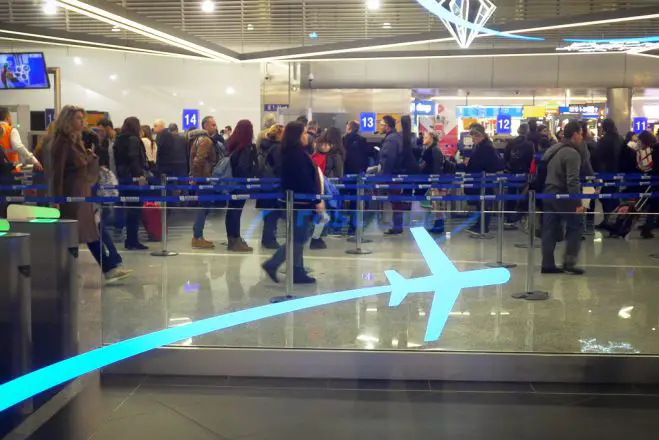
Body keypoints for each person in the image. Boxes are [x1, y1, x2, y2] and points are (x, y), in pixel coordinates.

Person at [49, 105, 131, 283]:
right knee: (81, 233)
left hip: (82, 193)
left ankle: (107, 267)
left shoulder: (75, 142)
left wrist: (90, 157)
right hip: (71, 196)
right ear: (68, 120)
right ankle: (104, 268)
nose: (82, 122)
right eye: (78, 118)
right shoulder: (62, 143)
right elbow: (57, 173)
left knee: (89, 232)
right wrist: (55, 199)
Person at [262, 121, 320, 284]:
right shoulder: (295, 155)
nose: (306, 137)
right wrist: (316, 200)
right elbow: (303, 181)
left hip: (296, 202)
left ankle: (297, 270)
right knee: (298, 238)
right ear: (296, 136)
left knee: (298, 237)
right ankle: (273, 264)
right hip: (300, 204)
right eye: (303, 133)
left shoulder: (292, 153)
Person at [540, 120, 586, 275]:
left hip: (547, 192)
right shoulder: (572, 153)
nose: (581, 137)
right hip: (563, 195)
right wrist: (578, 202)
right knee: (576, 225)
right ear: (575, 134)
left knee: (549, 230)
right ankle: (569, 263)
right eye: (580, 134)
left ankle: (547, 264)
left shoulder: (553, 148)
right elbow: (572, 180)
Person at [114, 117, 149, 250]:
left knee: (128, 209)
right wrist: (139, 175)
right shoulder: (133, 139)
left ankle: (130, 240)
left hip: (122, 178)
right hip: (132, 179)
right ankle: (132, 241)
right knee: (135, 210)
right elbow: (134, 158)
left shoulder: (119, 139)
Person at [380, 114, 418, 234]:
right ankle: (398, 225)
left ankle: (397, 226)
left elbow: (389, 158)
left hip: (394, 174)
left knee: (395, 201)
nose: (380, 127)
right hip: (403, 173)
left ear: (386, 126)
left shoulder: (392, 139)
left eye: (381, 125)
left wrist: (384, 176)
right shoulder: (404, 137)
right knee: (398, 201)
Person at [465, 123, 504, 235]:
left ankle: (483, 227)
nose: (472, 139)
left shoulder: (486, 148)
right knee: (480, 204)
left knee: (484, 203)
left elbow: (486, 164)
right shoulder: (483, 146)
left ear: (480, 135)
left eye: (473, 136)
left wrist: (470, 164)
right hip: (481, 180)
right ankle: (480, 225)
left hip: (483, 181)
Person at [225, 120, 258, 252]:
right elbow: (243, 166)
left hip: (231, 182)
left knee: (231, 210)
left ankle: (232, 240)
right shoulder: (246, 147)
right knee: (236, 212)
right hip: (241, 183)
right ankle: (236, 240)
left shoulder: (232, 144)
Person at [310, 126, 345, 246]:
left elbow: (339, 173)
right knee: (321, 214)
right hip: (319, 188)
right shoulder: (314, 157)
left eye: (327, 145)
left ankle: (319, 235)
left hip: (327, 188)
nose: (325, 147)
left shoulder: (333, 157)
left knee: (325, 214)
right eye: (322, 145)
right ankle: (316, 237)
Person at [620, 130, 659, 238]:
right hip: (652, 183)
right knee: (650, 207)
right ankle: (643, 228)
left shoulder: (638, 151)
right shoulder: (653, 151)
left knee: (640, 206)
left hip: (641, 183)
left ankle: (630, 227)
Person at [189, 118, 218, 249]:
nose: (215, 127)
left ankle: (198, 235)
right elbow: (198, 160)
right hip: (204, 178)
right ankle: (197, 236)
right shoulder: (205, 140)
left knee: (203, 207)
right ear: (206, 125)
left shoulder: (198, 139)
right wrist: (196, 177)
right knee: (203, 207)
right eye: (213, 124)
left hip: (202, 177)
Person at [593, 119, 624, 228]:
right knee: (613, 195)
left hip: (606, 173)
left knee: (605, 196)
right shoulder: (620, 139)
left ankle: (608, 220)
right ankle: (612, 219)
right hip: (618, 173)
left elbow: (599, 157)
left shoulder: (604, 140)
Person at [257, 124, 284, 249]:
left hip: (264, 182)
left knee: (267, 213)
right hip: (274, 184)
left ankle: (266, 238)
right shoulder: (277, 148)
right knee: (273, 213)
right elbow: (279, 166)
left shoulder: (263, 145)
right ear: (278, 134)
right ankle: (270, 240)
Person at [503, 123, 535, 225]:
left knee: (511, 194)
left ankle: (508, 217)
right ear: (527, 131)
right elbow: (532, 159)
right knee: (523, 195)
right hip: (524, 174)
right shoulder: (530, 144)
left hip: (511, 173)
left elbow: (505, 157)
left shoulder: (511, 142)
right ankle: (521, 218)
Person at [420, 132, 447, 234]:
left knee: (436, 205)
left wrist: (435, 181)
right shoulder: (429, 149)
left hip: (434, 181)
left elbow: (436, 167)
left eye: (426, 137)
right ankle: (436, 224)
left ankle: (439, 226)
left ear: (431, 138)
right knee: (433, 205)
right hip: (430, 180)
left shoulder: (434, 150)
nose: (423, 138)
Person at [0, 107, 43, 171]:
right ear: (7, 117)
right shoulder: (10, 130)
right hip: (9, 172)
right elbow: (19, 147)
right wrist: (34, 161)